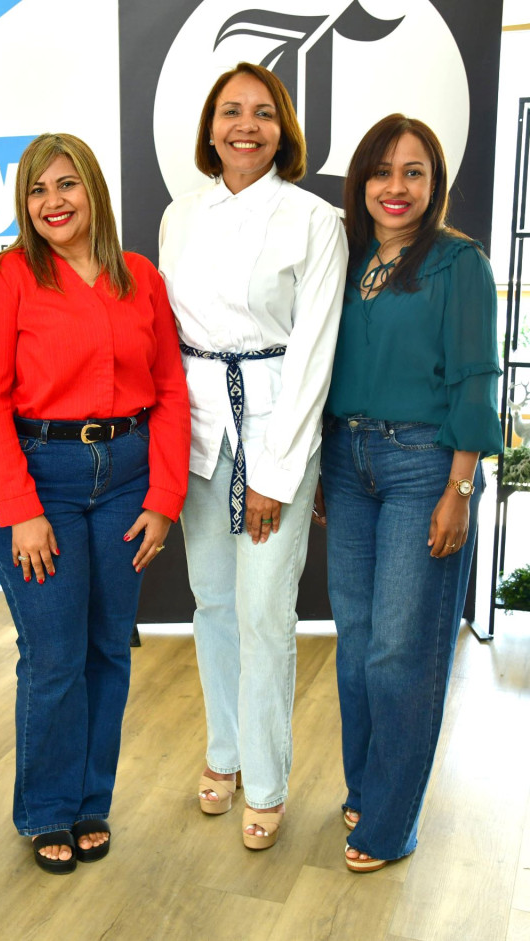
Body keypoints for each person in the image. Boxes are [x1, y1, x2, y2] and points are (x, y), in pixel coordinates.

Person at [0, 132, 190, 874]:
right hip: (42, 480)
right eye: (36, 190)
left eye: (66, 184)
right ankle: (47, 809)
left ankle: (92, 799)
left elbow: (168, 392)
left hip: (126, 479)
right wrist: (20, 508)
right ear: (24, 206)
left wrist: (164, 496)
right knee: (55, 654)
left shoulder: (139, 278)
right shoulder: (8, 280)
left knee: (107, 649)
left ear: (93, 188)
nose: (53, 202)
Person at [158, 62, 347, 849]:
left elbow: (313, 353)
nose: (246, 125)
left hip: (275, 427)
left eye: (263, 113)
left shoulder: (314, 219)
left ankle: (265, 779)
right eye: (231, 112)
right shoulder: (180, 216)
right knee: (211, 601)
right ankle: (225, 751)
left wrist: (274, 471)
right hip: (198, 430)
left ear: (284, 130)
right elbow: (170, 340)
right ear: (209, 129)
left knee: (267, 611)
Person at [319, 114, 502, 871]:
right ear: (361, 180)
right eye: (382, 171)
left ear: (436, 184)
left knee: (403, 649)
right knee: (358, 646)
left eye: (415, 172)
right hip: (346, 461)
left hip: (425, 464)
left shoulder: (459, 264)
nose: (397, 188)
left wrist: (460, 486)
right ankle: (369, 787)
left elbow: (474, 380)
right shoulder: (346, 255)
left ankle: (391, 823)